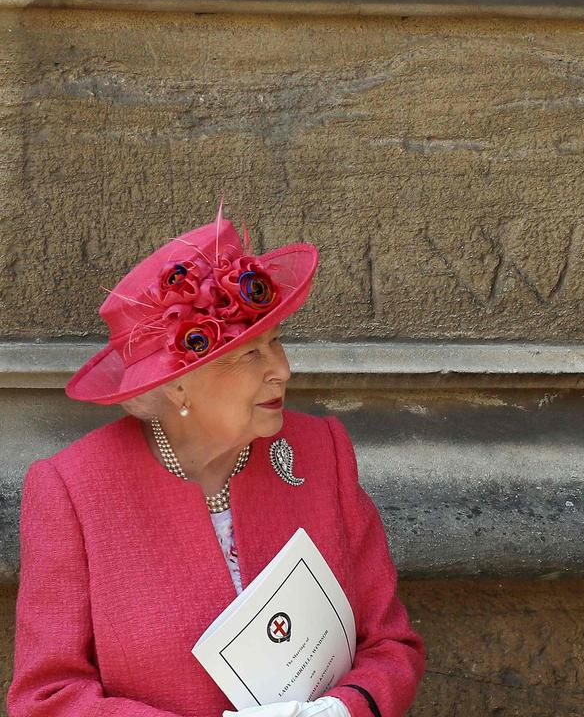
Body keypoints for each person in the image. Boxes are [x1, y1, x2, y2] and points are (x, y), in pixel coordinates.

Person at [8, 215, 425, 717]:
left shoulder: (323, 452)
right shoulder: (72, 491)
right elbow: (47, 698)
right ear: (178, 385)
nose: (283, 369)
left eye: (277, 339)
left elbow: (390, 646)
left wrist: (340, 711)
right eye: (251, 353)